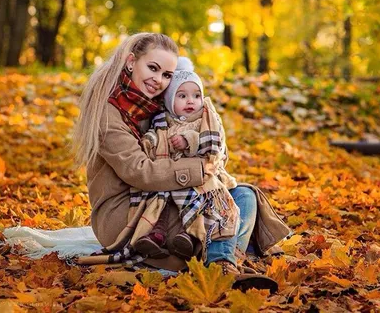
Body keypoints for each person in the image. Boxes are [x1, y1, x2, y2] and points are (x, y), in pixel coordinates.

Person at [73, 33, 291, 293]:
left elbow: (203, 149)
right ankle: (224, 265)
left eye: (167, 75)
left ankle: (223, 258)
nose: (158, 80)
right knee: (217, 221)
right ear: (131, 62)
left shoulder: (154, 106)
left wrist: (209, 140)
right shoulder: (108, 111)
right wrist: (198, 170)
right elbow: (139, 171)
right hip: (128, 213)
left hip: (164, 198)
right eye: (153, 68)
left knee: (244, 196)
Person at [132, 57, 239, 261]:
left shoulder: (204, 120)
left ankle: (188, 236)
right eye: (182, 96)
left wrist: (189, 140)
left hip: (197, 180)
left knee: (194, 204)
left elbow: (212, 146)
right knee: (163, 206)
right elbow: (158, 135)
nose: (191, 101)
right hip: (170, 178)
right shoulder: (164, 121)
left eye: (196, 95)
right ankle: (156, 235)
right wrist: (150, 141)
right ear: (170, 101)